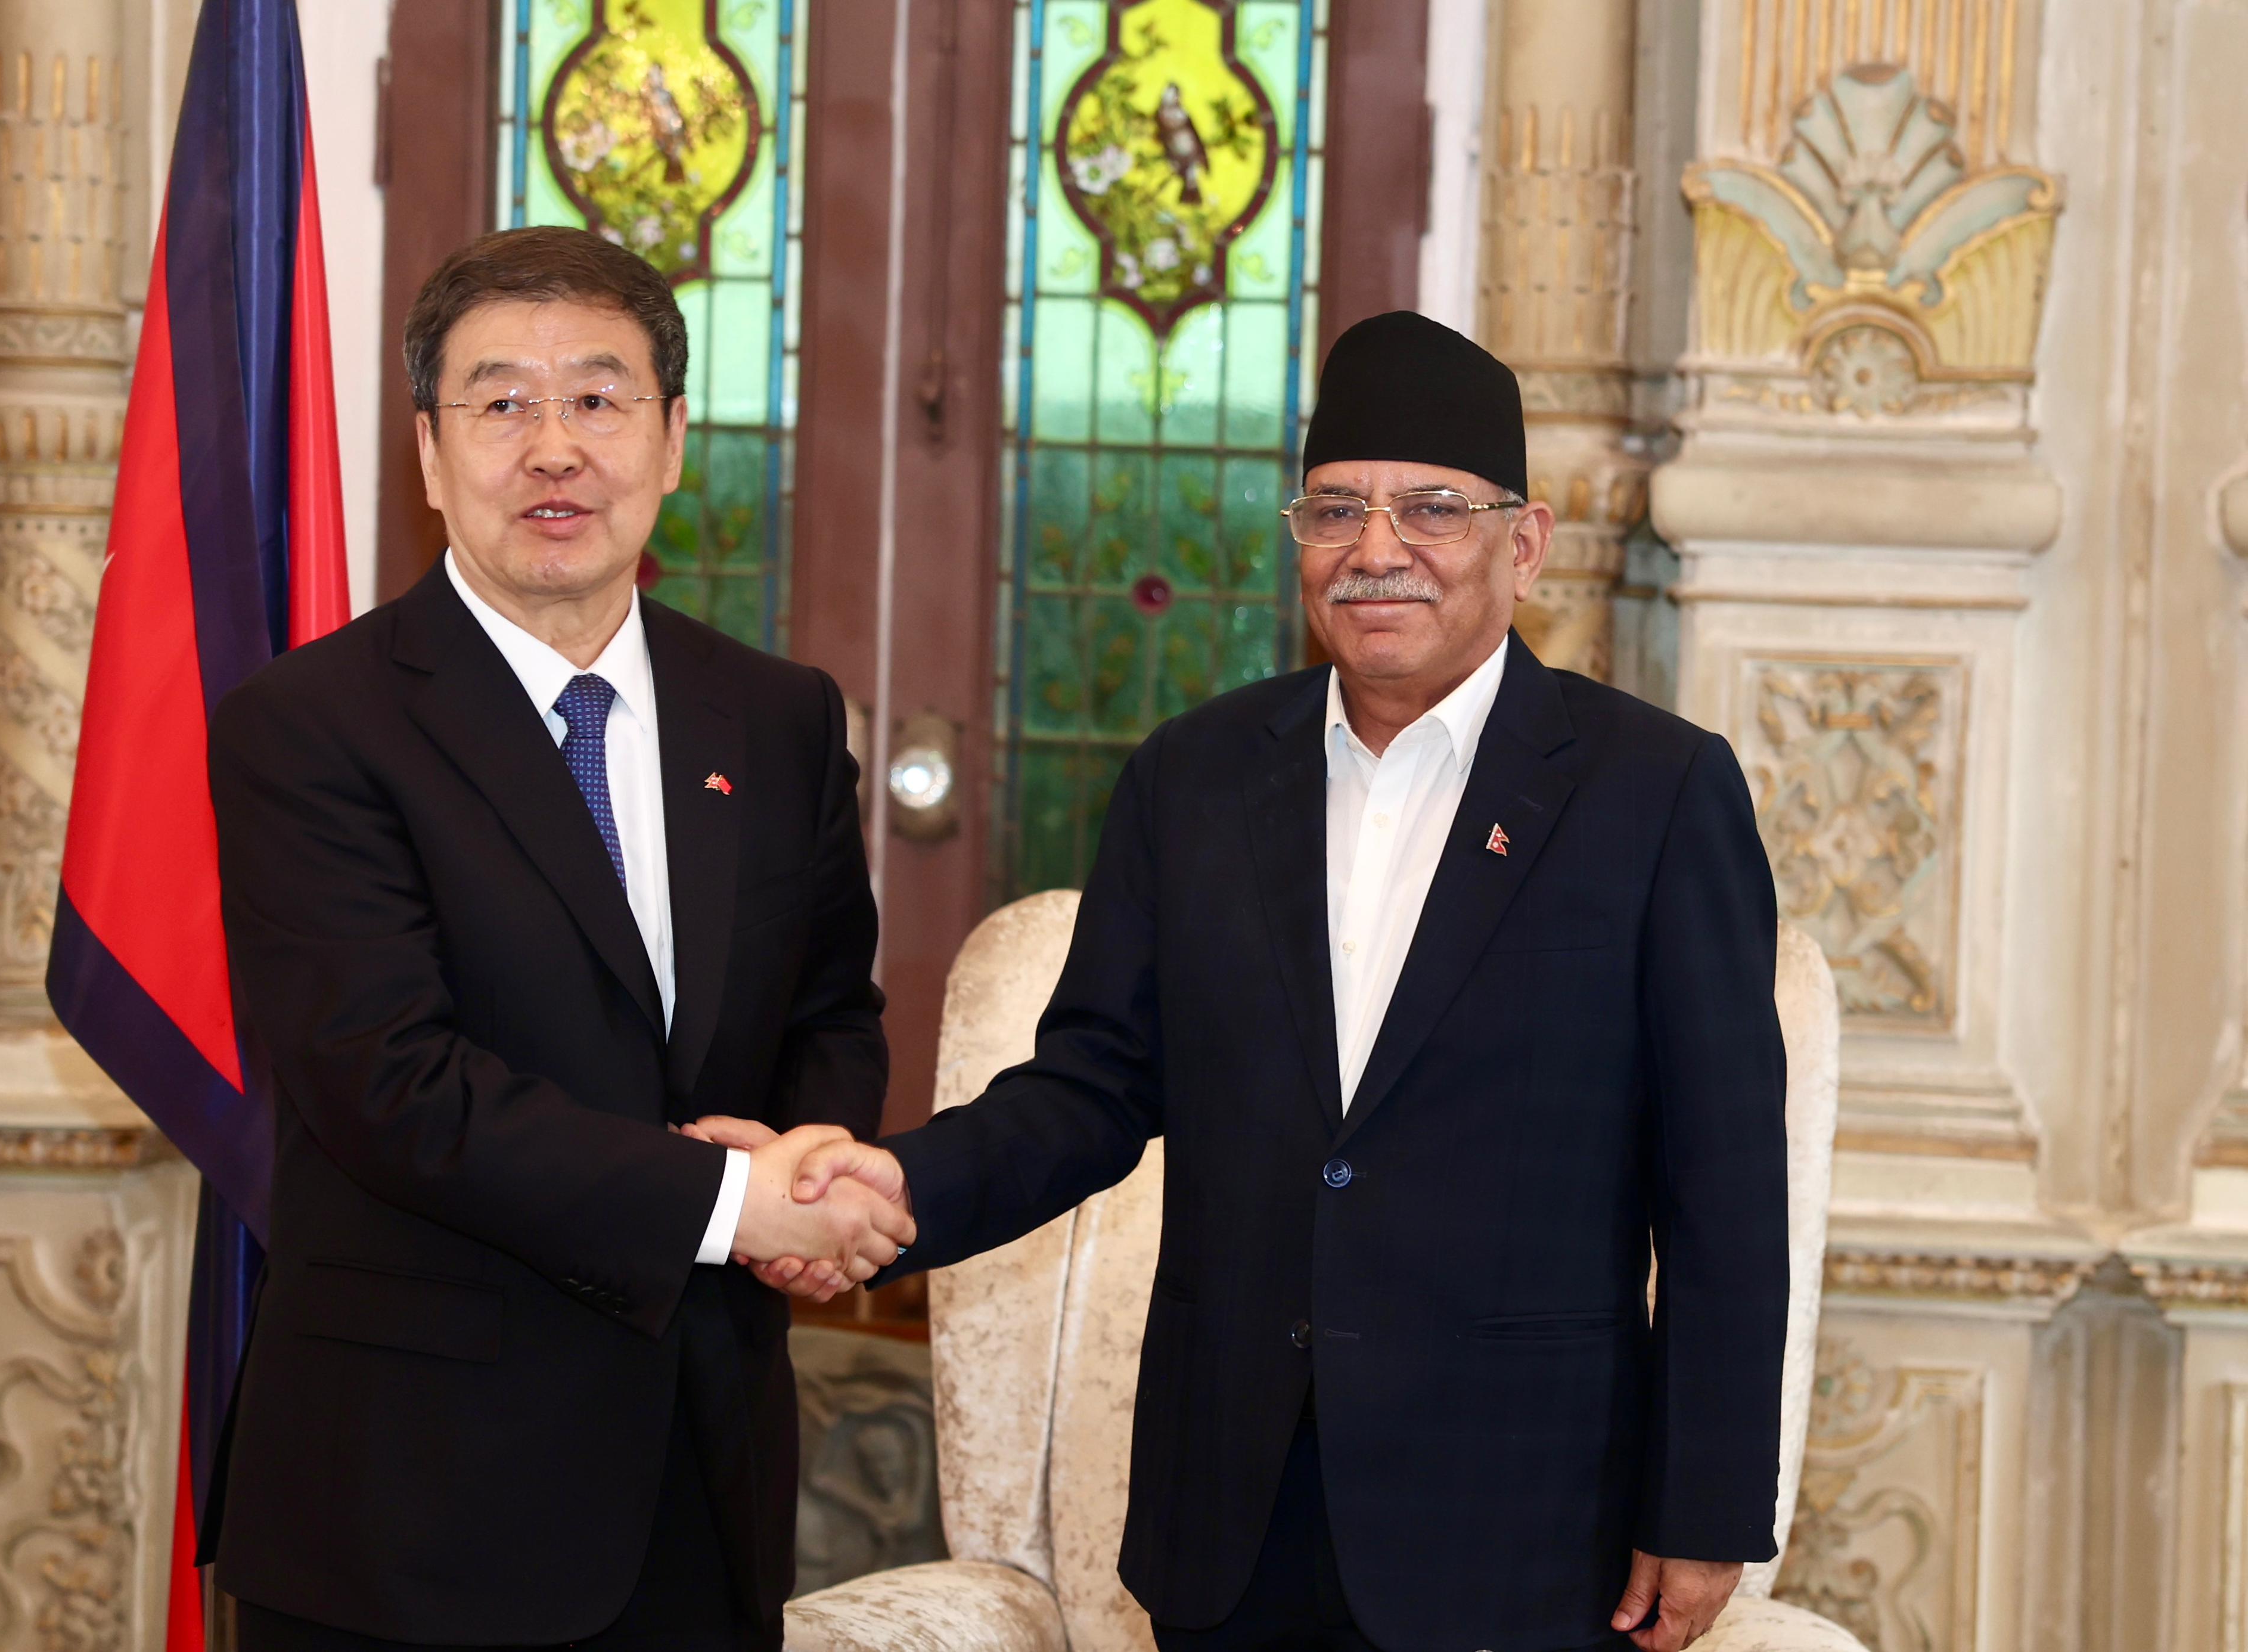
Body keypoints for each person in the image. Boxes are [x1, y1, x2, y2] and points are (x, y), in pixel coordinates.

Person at [764, 312, 1790, 1652]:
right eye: (1337, 511)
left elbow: (1721, 1180)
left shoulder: (1652, 793)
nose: (1378, 550)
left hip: (1524, 1525)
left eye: (1432, 509)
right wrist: (896, 1186)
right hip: (1234, 1511)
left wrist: (1705, 1501)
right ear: (1298, 538)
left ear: (1523, 544)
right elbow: (1090, 1086)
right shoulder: (1191, 779)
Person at [201, 226, 912, 1652]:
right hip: (410, 1515)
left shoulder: (773, 718)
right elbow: (389, 1085)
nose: (553, 449)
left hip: (702, 1488)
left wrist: (813, 1168)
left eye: (597, 398)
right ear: (427, 447)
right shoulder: (311, 727)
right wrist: (730, 1210)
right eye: (500, 402)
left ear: (670, 436)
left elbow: (833, 1010)